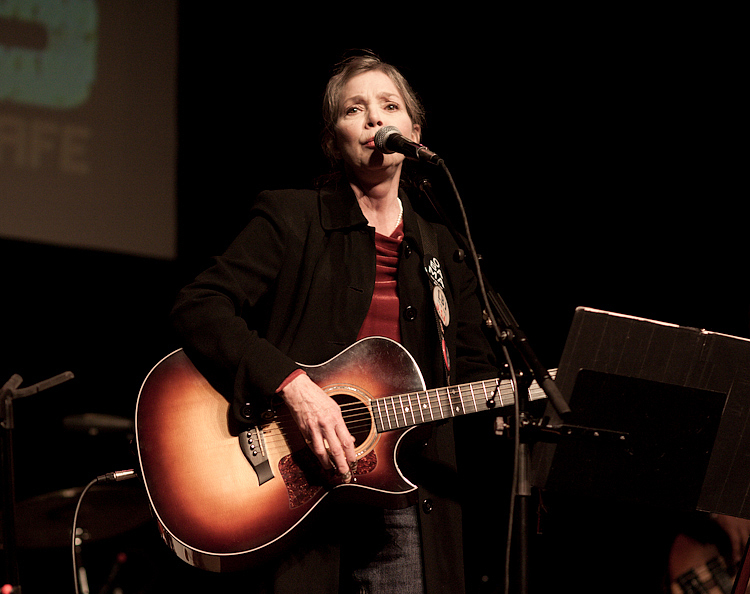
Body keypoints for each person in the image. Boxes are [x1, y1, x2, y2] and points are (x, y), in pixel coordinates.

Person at [169, 51, 497, 594]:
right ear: (334, 138)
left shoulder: (445, 248)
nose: (374, 119)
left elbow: (474, 371)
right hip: (294, 484)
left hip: (404, 493)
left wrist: (512, 400)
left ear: (413, 132)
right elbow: (199, 306)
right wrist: (293, 386)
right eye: (355, 108)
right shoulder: (290, 216)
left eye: (389, 106)